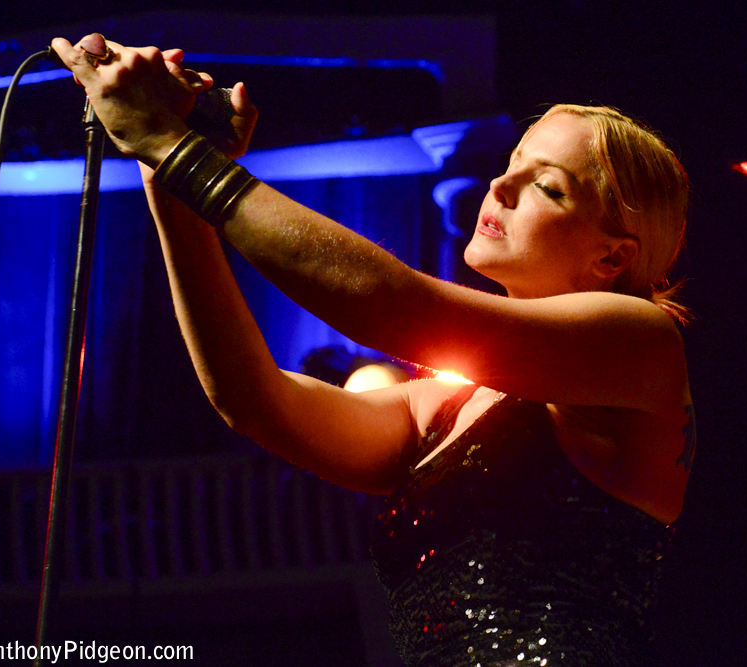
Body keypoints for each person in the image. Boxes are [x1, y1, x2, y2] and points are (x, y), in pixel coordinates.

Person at [51, 33, 696, 667]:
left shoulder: (642, 344)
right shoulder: (442, 409)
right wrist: (169, 181)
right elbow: (252, 399)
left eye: (548, 186)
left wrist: (173, 146)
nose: (501, 185)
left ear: (613, 258)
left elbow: (391, 304)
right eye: (513, 162)